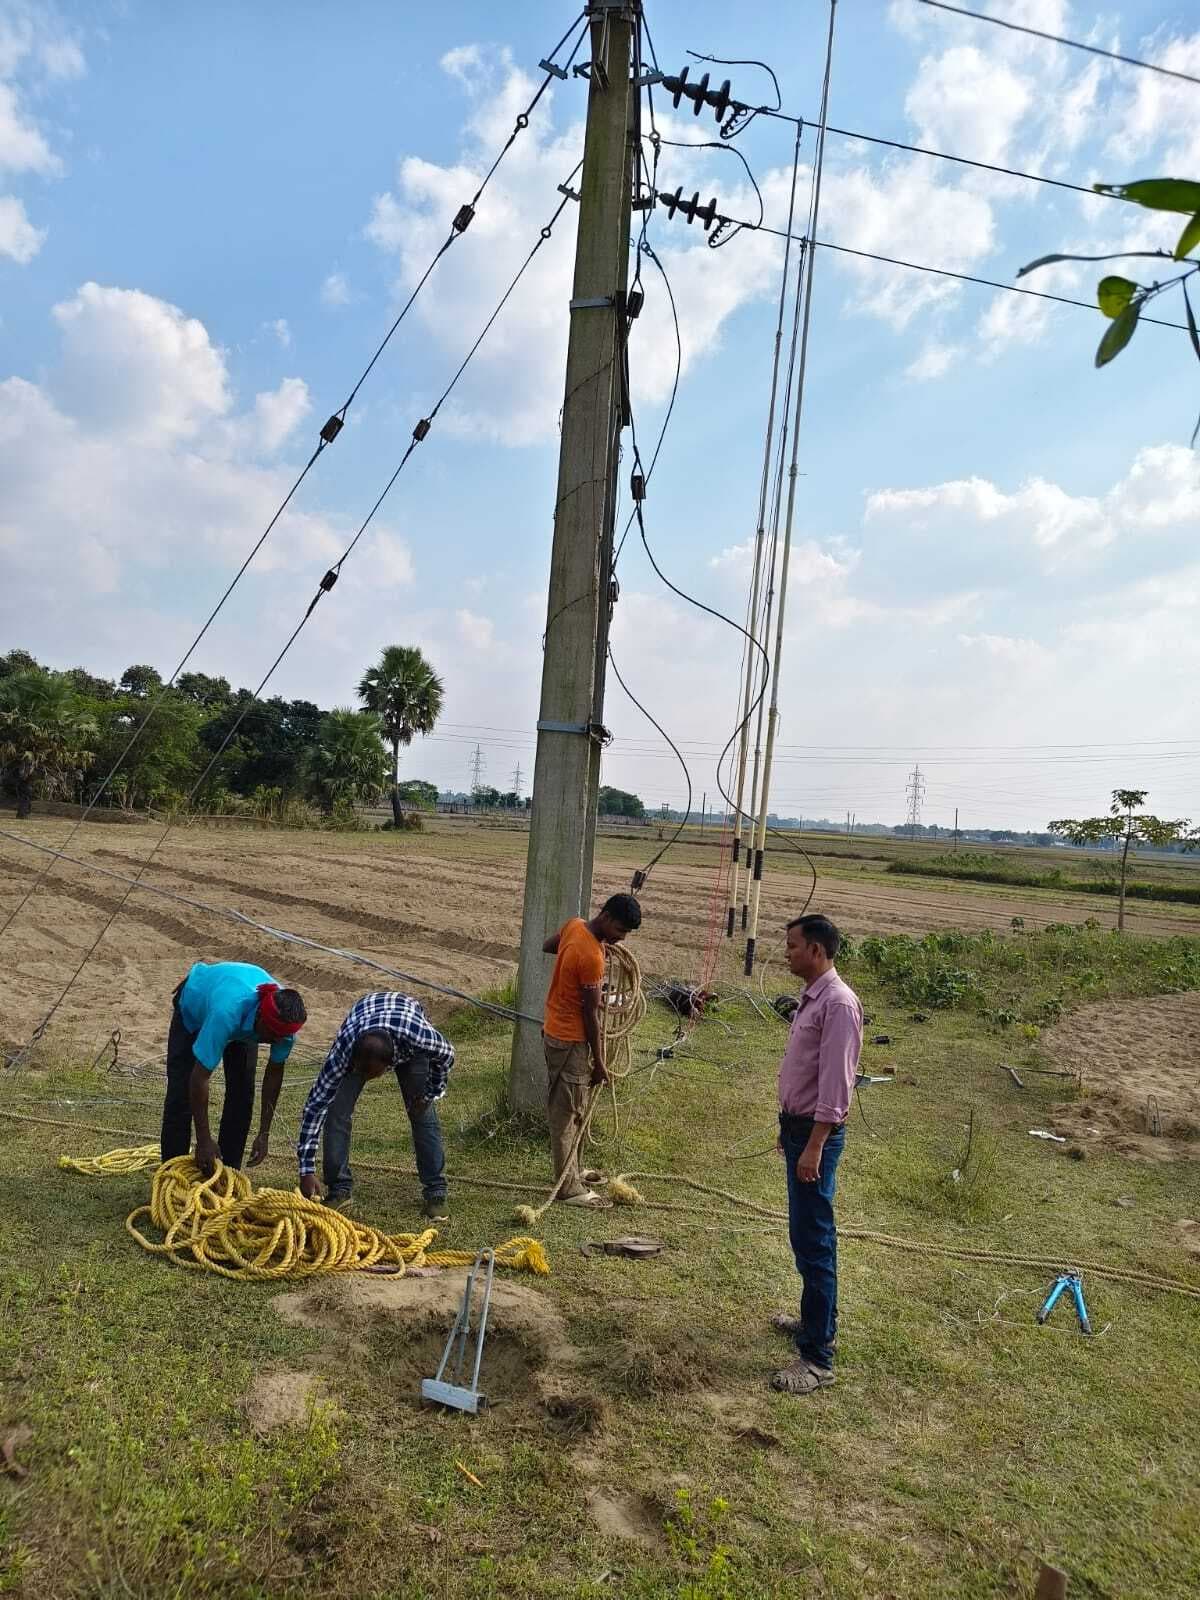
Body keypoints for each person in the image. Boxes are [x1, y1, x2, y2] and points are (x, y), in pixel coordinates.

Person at [770, 913, 863, 1396]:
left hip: (814, 1136)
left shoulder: (839, 1004)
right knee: (804, 1235)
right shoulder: (813, 999)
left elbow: (835, 1087)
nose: (786, 952)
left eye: (792, 946)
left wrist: (813, 1146)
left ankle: (818, 1357)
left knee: (815, 1238)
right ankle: (813, 1322)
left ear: (818, 951)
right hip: (798, 1131)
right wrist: (787, 1131)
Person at [295, 992, 455, 1220]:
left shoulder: (418, 1037)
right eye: (362, 1072)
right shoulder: (344, 1051)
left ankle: (436, 1193)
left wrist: (430, 1093)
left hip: (405, 1028)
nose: (366, 1079)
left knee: (422, 1113)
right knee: (336, 1112)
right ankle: (339, 1190)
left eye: (372, 1075)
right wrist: (306, 1170)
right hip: (364, 1021)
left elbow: (446, 1055)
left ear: (389, 1065)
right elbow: (315, 1105)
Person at [541, 892, 642, 1208]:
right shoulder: (592, 958)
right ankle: (568, 1188)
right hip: (571, 1039)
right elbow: (591, 1016)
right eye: (621, 931)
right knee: (565, 1112)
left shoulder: (575, 927)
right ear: (608, 917)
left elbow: (548, 945)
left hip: (554, 1030)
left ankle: (573, 1169)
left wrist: (581, 958)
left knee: (576, 1107)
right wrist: (600, 1063)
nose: (621, 938)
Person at [161, 960, 307, 1178]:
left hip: (243, 1013)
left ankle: (226, 1177)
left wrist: (264, 1133)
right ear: (261, 1018)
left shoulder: (283, 1028)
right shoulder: (225, 1014)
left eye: (280, 1038)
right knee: (180, 1095)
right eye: (271, 1036)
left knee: (242, 1095)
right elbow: (200, 1078)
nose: (274, 1042)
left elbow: (274, 1074)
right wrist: (204, 1140)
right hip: (196, 1004)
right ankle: (172, 1179)